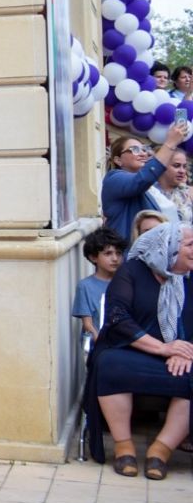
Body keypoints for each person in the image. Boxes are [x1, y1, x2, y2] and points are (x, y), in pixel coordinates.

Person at [90, 221, 193, 480]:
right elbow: (118, 318)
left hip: (179, 355)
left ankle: (161, 450)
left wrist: (185, 350)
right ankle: (124, 447)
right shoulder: (132, 271)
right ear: (169, 248)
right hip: (129, 348)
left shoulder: (189, 277)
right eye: (190, 245)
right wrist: (162, 348)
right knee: (110, 365)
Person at [102, 128, 191, 238]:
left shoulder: (150, 188)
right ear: (118, 160)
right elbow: (142, 179)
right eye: (135, 149)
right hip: (131, 247)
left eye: (144, 149)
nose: (143, 154)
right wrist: (170, 143)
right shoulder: (113, 179)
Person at [73, 226, 125, 341]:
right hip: (98, 343)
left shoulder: (126, 283)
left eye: (118, 253)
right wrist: (100, 343)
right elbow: (88, 324)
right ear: (93, 257)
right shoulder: (85, 286)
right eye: (108, 253)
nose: (115, 258)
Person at [148, 147, 192, 224]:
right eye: (176, 165)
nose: (182, 171)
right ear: (162, 166)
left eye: (184, 166)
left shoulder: (188, 192)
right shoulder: (149, 192)